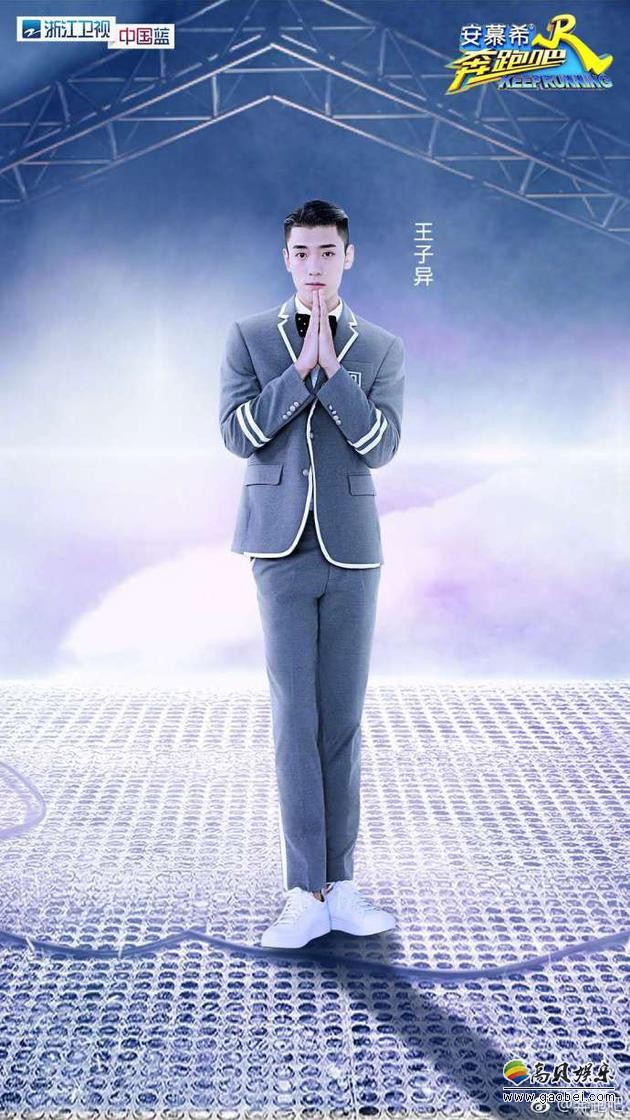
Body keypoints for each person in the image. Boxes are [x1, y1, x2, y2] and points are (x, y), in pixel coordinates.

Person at [219, 199, 405, 948]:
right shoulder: (248, 338)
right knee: (295, 719)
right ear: (286, 258)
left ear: (347, 256)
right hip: (278, 548)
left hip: (354, 551)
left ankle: (343, 885)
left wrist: (335, 373)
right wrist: (300, 372)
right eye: (302, 253)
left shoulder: (382, 347)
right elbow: (237, 435)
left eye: (328, 252)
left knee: (343, 721)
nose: (315, 266)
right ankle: (305, 892)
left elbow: (381, 446)